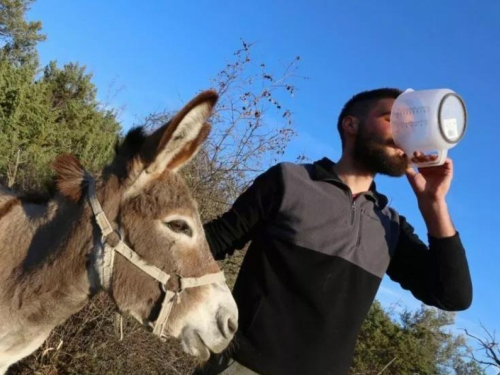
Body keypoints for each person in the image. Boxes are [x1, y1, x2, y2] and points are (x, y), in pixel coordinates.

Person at [193, 88, 473, 375]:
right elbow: (207, 245)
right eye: (394, 119)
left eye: (411, 126)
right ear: (351, 125)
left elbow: (453, 296)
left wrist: (434, 205)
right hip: (240, 367)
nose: (404, 133)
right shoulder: (289, 180)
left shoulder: (390, 226)